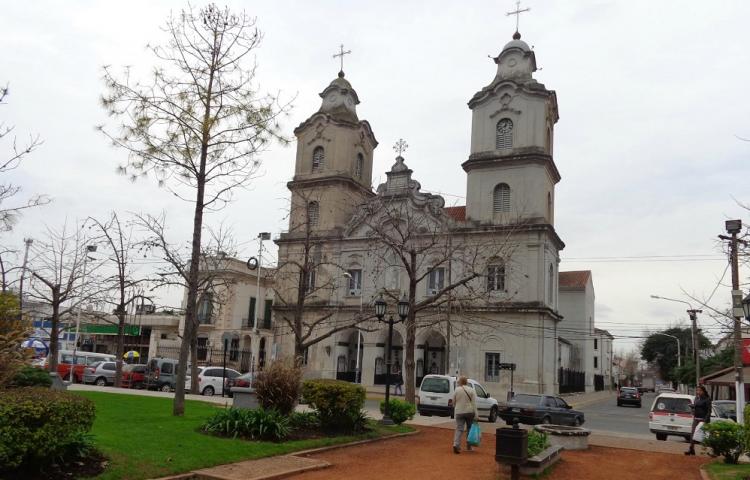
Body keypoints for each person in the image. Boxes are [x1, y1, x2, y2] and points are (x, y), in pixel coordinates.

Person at [452, 376, 478, 454]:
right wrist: (476, 414)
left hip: (459, 411)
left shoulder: (457, 390)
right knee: (469, 429)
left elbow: (453, 402)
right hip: (470, 411)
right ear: (467, 382)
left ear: (460, 382)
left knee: (459, 429)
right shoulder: (472, 390)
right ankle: (469, 446)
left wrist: (456, 407)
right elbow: (474, 403)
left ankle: (456, 444)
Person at [686, 385, 712, 456]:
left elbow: (709, 411)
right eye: (697, 390)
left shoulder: (707, 399)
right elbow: (695, 407)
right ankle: (691, 449)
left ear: (703, 391)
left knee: (705, 436)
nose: (698, 392)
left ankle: (709, 451)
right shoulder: (696, 398)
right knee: (693, 434)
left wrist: (705, 420)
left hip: (703, 420)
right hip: (696, 419)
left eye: (700, 390)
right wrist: (692, 407)